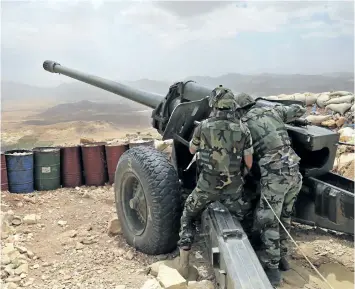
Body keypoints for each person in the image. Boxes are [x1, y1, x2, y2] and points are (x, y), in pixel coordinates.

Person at [177, 86, 254, 278]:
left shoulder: (203, 126)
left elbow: (192, 151)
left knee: (188, 213)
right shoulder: (243, 129)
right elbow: (249, 162)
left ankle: (184, 263)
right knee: (245, 215)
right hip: (233, 190)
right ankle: (251, 254)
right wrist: (240, 175)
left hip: (206, 188)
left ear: (215, 105)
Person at [234, 92, 306, 286]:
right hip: (294, 171)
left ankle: (273, 268)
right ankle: (283, 258)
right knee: (285, 216)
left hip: (276, 177)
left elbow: (244, 159)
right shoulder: (272, 111)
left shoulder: (243, 124)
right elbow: (299, 109)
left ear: (240, 109)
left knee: (268, 221)